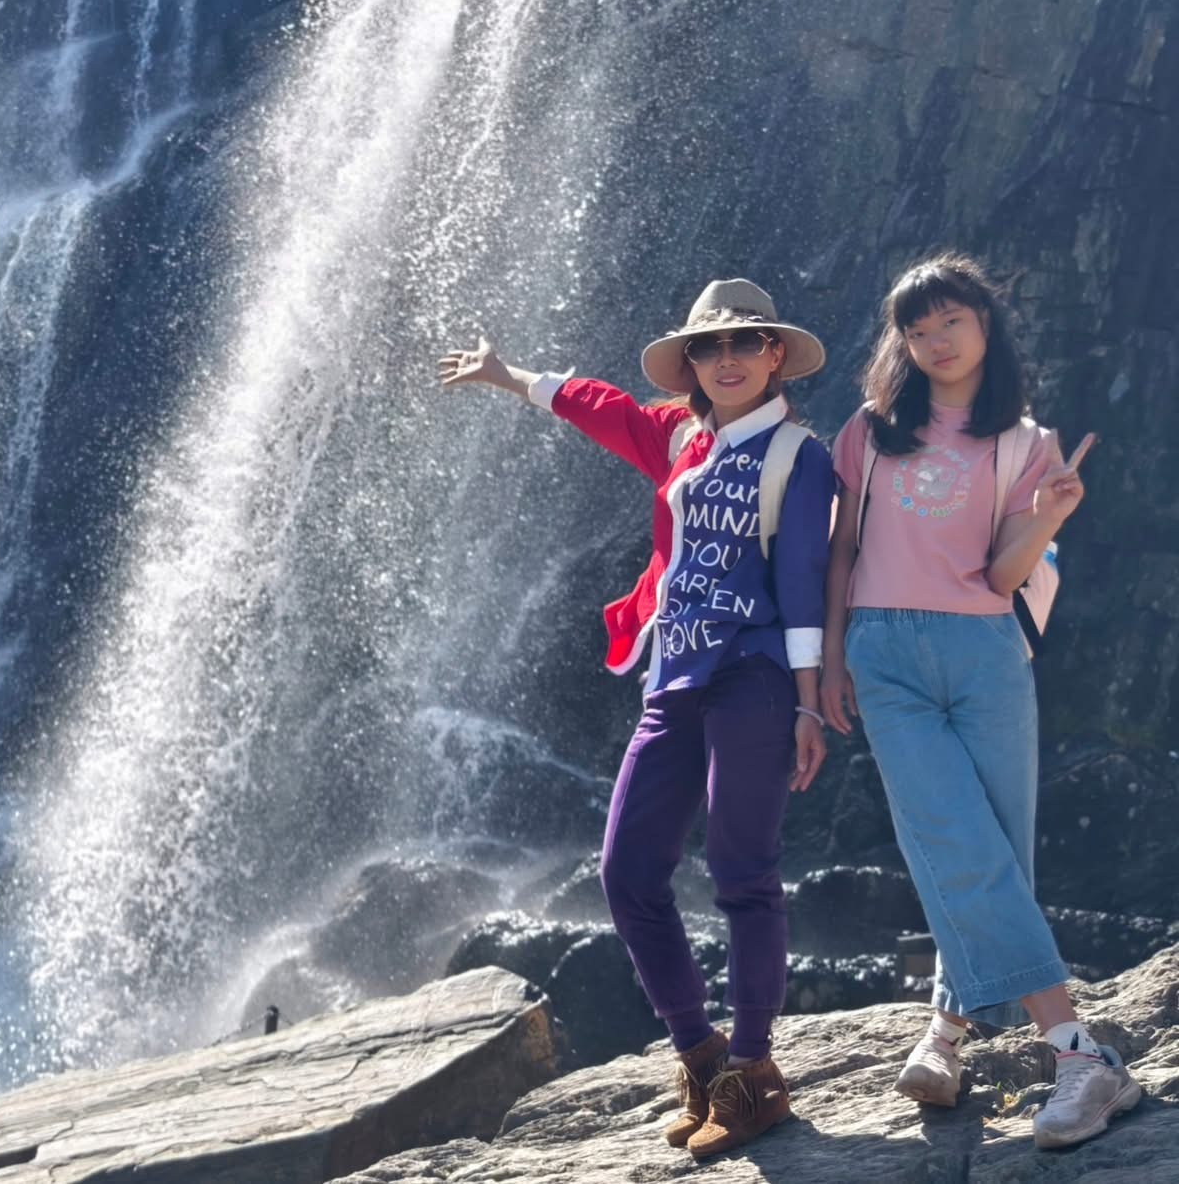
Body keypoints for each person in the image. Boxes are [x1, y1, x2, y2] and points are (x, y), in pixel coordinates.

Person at [440, 278, 834, 1159]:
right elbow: (602, 407)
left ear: (776, 354)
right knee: (626, 872)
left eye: (744, 342)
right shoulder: (678, 435)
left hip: (758, 678)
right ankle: (699, 1054)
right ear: (691, 363)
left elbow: (806, 580)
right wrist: (513, 378)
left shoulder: (799, 457)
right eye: (708, 347)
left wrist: (810, 700)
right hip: (673, 678)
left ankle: (755, 1072)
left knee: (743, 872)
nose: (726, 359)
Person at [819, 251, 1138, 1152]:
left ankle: (948, 1031)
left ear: (985, 324)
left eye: (948, 322)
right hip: (885, 653)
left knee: (995, 848)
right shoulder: (871, 431)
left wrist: (1048, 518)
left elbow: (1003, 575)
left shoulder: (1024, 443)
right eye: (915, 331)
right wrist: (834, 657)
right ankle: (1080, 1055)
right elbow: (840, 554)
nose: (932, 341)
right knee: (953, 839)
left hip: (985, 650)